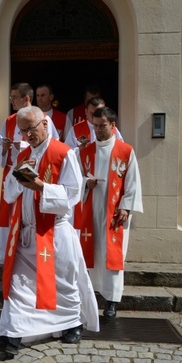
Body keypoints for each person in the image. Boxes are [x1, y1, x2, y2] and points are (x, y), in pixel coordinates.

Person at [0, 107, 99, 357]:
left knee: (62, 284)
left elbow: (72, 195)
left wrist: (40, 186)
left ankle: (73, 323)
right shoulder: (24, 153)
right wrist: (18, 176)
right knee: (17, 286)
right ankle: (10, 336)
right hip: (26, 234)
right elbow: (9, 192)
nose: (27, 135)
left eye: (31, 129)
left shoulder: (64, 153)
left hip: (53, 232)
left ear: (45, 124)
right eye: (23, 130)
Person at [76, 107, 142, 320]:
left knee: (113, 256)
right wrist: (87, 183)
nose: (98, 130)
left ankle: (112, 301)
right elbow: (75, 180)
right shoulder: (85, 151)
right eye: (95, 126)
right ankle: (93, 296)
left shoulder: (125, 151)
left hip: (114, 213)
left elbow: (133, 182)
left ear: (113, 125)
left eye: (102, 126)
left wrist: (126, 206)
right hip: (91, 211)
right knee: (93, 252)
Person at [0, 83, 59, 264]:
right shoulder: (8, 121)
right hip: (13, 174)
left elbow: (52, 144)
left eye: (14, 97)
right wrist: (5, 148)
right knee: (11, 212)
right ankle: (8, 254)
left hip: (39, 172)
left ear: (26, 98)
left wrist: (22, 146)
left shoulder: (43, 119)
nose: (11, 101)